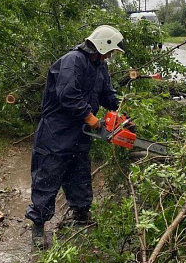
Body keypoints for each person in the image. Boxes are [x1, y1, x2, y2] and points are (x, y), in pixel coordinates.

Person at [25, 25, 125, 248]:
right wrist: (90, 117)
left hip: (80, 132)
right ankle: (38, 226)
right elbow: (67, 94)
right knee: (47, 176)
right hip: (56, 131)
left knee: (79, 173)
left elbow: (107, 93)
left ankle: (81, 214)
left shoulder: (100, 66)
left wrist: (118, 109)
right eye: (110, 51)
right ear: (101, 45)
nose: (110, 56)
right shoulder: (73, 61)